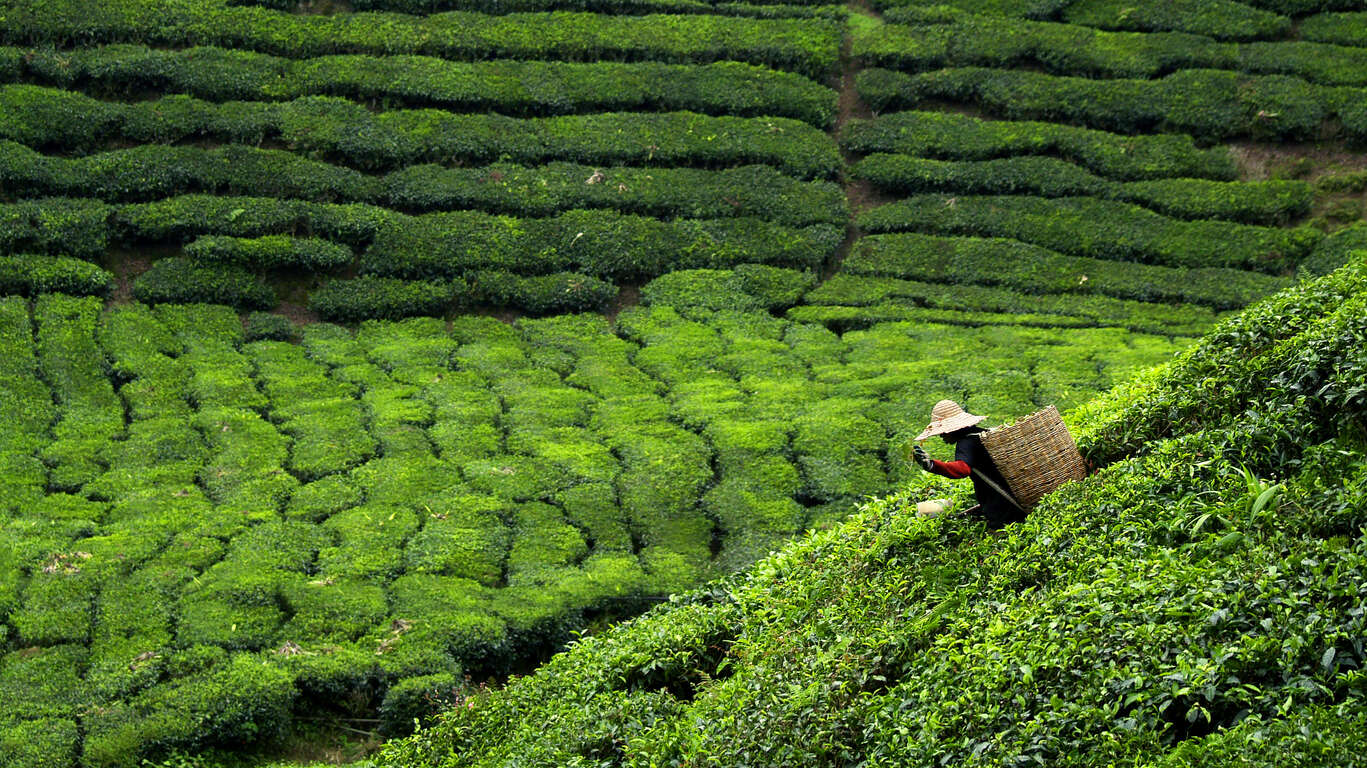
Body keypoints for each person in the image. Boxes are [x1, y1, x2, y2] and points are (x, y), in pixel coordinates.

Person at [910, 399, 1026, 529]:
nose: (941, 436)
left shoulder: (966, 443)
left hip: (1002, 514)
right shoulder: (983, 434)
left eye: (942, 432)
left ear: (951, 429)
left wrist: (932, 465)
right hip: (1015, 502)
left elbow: (962, 469)